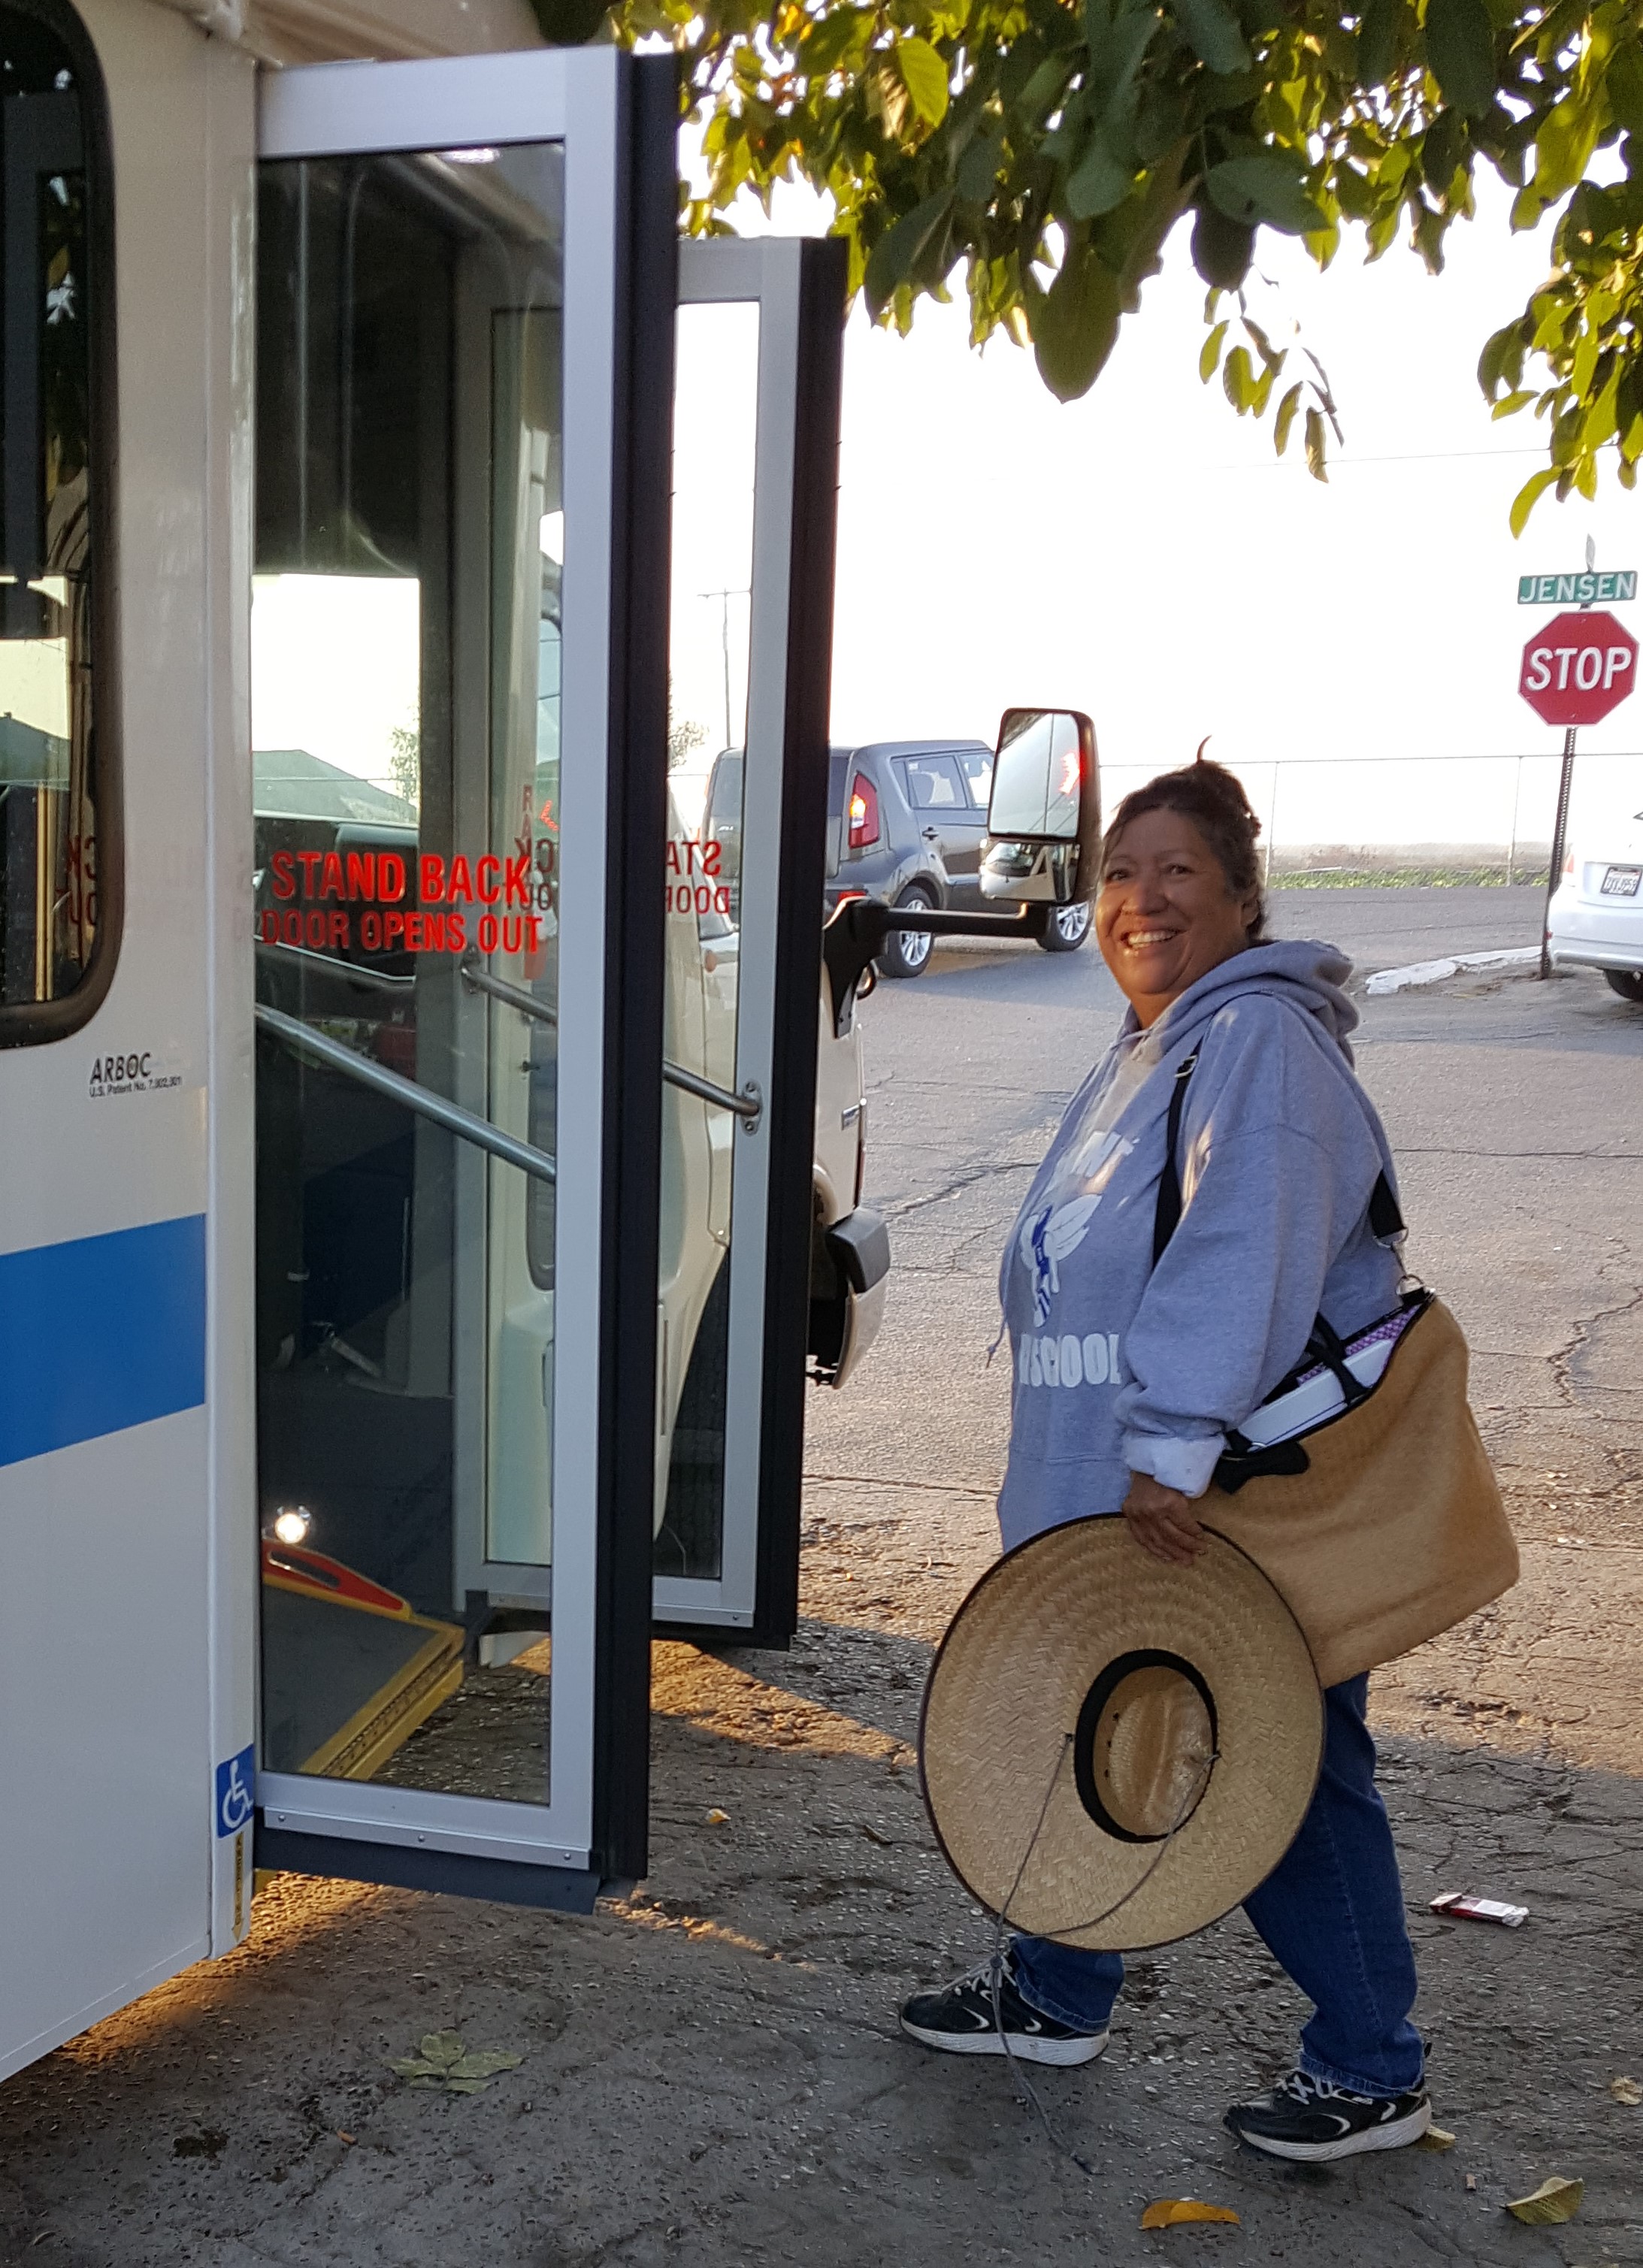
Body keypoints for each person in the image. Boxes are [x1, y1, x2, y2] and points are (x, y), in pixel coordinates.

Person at [899, 757, 1432, 2164]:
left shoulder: (1253, 1041)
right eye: (1120, 871)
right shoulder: (1156, 1044)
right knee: (1097, 1729)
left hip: (1212, 1498)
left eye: (1177, 870)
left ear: (1244, 898)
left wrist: (1170, 1446)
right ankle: (1060, 1986)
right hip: (1130, 1489)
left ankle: (1372, 2063)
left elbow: (1244, 1248)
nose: (1140, 897)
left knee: (1287, 1761)